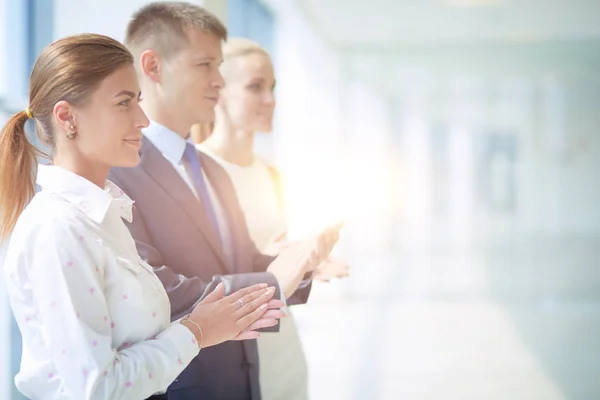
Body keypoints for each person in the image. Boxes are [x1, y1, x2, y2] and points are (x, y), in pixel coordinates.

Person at [0, 34, 283, 400]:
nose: (143, 120)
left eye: (138, 101)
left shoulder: (104, 216)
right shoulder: (59, 230)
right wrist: (196, 332)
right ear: (67, 117)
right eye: (123, 103)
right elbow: (96, 390)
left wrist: (206, 326)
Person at [108, 3, 340, 399]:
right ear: (153, 66)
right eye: (205, 65)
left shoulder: (211, 171)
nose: (219, 81)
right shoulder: (117, 172)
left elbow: (243, 261)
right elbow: (160, 292)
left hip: (245, 382)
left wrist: (301, 262)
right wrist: (273, 281)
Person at [196, 37, 349, 400]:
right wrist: (275, 260)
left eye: (273, 87)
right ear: (219, 92)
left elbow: (272, 253)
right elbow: (198, 274)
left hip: (283, 347)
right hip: (232, 350)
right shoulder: (195, 172)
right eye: (255, 87)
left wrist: (308, 262)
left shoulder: (271, 173)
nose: (271, 100)